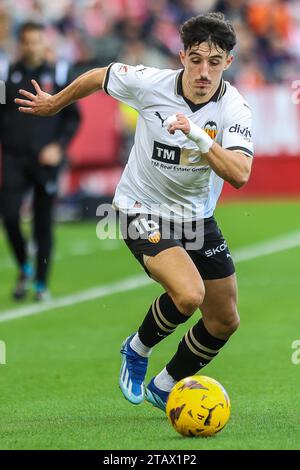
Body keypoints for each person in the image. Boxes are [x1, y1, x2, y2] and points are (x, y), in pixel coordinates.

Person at [15, 13, 253, 409]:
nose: (203, 71)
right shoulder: (150, 83)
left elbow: (241, 174)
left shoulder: (234, 109)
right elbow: (100, 75)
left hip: (195, 217)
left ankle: (166, 384)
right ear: (182, 57)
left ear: (228, 63)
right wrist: (56, 103)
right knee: (188, 294)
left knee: (224, 320)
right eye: (196, 59)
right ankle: (137, 349)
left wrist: (197, 136)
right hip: (139, 207)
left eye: (214, 62)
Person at [1, 22, 81, 301]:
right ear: (20, 44)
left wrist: (59, 147)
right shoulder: (7, 75)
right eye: (26, 41)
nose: (31, 46)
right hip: (14, 157)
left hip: (46, 160)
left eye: (36, 41)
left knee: (42, 222)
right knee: (9, 216)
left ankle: (40, 283)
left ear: (44, 42)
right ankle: (24, 265)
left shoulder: (59, 73)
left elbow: (73, 117)